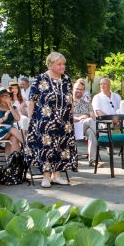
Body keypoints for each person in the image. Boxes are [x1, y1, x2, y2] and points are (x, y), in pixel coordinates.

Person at [26, 52, 78, 188]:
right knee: (46, 147)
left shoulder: (66, 79)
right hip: (45, 120)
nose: (63, 67)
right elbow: (32, 100)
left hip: (64, 119)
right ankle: (46, 176)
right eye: (59, 64)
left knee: (62, 146)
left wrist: (72, 114)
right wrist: (30, 120)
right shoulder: (41, 79)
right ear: (50, 64)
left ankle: (57, 175)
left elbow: (70, 98)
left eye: (64, 64)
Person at [0, 87, 24, 154]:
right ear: (0, 98)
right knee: (11, 129)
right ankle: (27, 144)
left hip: (11, 131)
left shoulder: (13, 108)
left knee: (14, 139)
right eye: (5, 96)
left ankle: (12, 162)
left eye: (8, 95)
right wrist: (3, 118)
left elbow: (18, 119)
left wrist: (10, 106)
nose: (7, 97)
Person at [72, 80, 99, 167]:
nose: (79, 91)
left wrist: (86, 118)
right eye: (77, 89)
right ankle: (102, 136)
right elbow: (64, 117)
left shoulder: (87, 104)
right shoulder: (68, 102)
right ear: (73, 89)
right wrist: (78, 118)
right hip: (72, 127)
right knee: (89, 121)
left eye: (81, 89)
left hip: (85, 127)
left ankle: (93, 160)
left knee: (91, 132)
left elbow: (93, 117)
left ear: (84, 91)